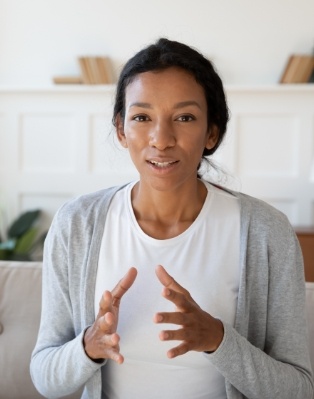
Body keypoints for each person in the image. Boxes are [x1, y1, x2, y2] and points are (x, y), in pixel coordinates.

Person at [30, 38, 313, 399]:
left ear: (212, 132)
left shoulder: (266, 232)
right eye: (142, 117)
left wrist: (219, 340)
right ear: (121, 129)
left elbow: (299, 389)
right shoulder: (76, 225)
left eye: (184, 117)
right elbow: (45, 378)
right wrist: (89, 345)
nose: (161, 140)